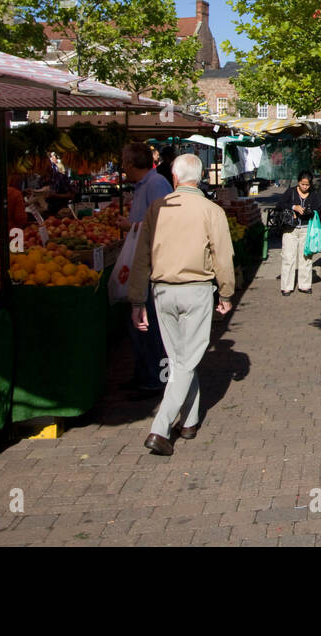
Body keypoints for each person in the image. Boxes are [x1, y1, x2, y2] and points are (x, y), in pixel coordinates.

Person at [127, 154, 235, 456]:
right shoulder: (210, 210)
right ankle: (160, 428)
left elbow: (141, 256)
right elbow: (223, 257)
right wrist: (225, 293)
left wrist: (137, 297)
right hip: (196, 289)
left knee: (178, 360)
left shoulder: (156, 208)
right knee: (185, 361)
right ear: (198, 178)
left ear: (174, 178)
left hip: (162, 290)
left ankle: (189, 419)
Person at [121, 141, 174, 396]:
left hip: (153, 265)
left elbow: (164, 221)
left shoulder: (155, 184)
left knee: (149, 323)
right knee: (140, 324)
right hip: (143, 264)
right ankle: (145, 374)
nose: (122, 166)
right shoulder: (144, 185)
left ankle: (154, 378)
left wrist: (131, 226)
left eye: (124, 161)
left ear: (131, 164)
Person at [276, 171, 318, 295]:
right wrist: (294, 207)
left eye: (307, 185)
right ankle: (286, 286)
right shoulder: (291, 192)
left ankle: (304, 285)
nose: (305, 187)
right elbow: (279, 205)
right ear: (298, 182)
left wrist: (309, 211)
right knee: (288, 257)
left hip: (306, 228)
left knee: (306, 257)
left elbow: (317, 208)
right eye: (302, 184)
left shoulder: (313, 194)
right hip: (290, 229)